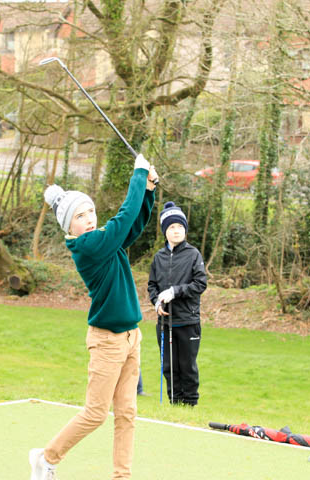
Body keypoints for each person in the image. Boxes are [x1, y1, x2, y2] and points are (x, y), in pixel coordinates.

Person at [30, 155, 158, 480]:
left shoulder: (104, 240)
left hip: (131, 337)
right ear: (69, 227)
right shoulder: (88, 246)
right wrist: (139, 174)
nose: (88, 219)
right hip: (106, 342)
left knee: (127, 413)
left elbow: (133, 225)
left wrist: (148, 191)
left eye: (89, 212)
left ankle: (121, 476)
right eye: (79, 216)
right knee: (96, 413)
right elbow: (123, 218)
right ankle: (46, 457)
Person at [147, 202, 207, 407]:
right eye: (172, 227)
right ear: (165, 231)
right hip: (165, 322)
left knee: (187, 366)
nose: (176, 230)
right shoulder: (159, 257)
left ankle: (190, 404)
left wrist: (175, 291)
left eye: (180, 226)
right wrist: (156, 301)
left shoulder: (193, 254)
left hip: (188, 320)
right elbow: (152, 285)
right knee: (169, 367)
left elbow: (200, 284)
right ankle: (175, 403)